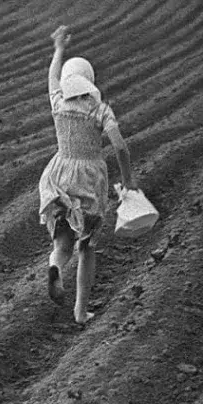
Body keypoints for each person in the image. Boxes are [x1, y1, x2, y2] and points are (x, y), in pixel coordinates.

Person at [39, 25, 137, 324]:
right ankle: (81, 312)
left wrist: (58, 47)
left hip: (58, 176)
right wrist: (128, 180)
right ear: (90, 81)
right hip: (89, 180)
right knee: (87, 246)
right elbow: (119, 147)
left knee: (62, 242)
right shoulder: (100, 110)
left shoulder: (58, 101)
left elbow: (53, 76)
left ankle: (55, 265)